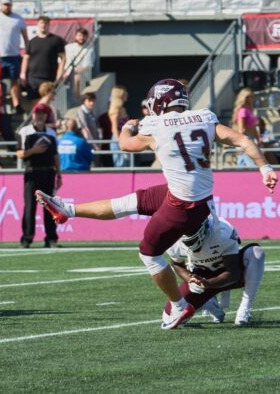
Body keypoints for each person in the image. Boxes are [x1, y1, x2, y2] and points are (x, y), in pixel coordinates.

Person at [37, 78, 275, 328]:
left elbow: (126, 145)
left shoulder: (156, 124)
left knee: (148, 253)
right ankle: (68, 210)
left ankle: (179, 306)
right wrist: (265, 168)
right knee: (131, 202)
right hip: (195, 199)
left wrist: (128, 126)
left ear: (160, 101)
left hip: (182, 205)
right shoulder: (204, 118)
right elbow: (243, 141)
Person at [17, 103, 60, 248]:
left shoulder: (51, 133)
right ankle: (27, 238)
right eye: (37, 113)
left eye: (42, 113)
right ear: (33, 115)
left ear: (46, 116)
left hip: (48, 172)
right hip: (32, 172)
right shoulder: (25, 131)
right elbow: (19, 153)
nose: (39, 116)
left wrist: (59, 174)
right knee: (30, 207)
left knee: (50, 207)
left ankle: (51, 238)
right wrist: (33, 151)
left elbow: (55, 155)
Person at [0, 0, 29, 111]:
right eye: (4, 4)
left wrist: (27, 50)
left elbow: (25, 36)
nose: (6, 7)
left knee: (14, 80)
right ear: (0, 5)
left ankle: (16, 104)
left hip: (13, 55)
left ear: (11, 5)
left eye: (8, 5)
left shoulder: (18, 19)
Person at [22, 16, 66, 98]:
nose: (43, 25)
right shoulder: (32, 42)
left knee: (47, 101)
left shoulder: (56, 40)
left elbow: (63, 58)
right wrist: (23, 74)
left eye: (45, 23)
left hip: (49, 77)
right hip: (33, 78)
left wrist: (60, 73)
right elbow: (26, 58)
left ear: (49, 25)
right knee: (34, 103)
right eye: (41, 23)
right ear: (38, 24)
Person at [63, 28, 94, 101]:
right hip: (68, 73)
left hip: (84, 75)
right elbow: (67, 62)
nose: (82, 38)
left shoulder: (89, 49)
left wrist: (75, 70)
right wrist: (66, 72)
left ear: (86, 37)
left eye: (84, 36)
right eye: (80, 35)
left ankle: (76, 99)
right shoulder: (68, 47)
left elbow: (88, 65)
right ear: (75, 36)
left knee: (77, 77)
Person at [232, 87, 260, 168]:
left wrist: (258, 139)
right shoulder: (243, 110)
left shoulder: (249, 110)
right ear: (245, 98)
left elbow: (254, 127)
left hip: (250, 139)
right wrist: (246, 142)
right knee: (251, 165)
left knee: (242, 164)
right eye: (250, 96)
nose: (252, 98)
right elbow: (241, 129)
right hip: (246, 139)